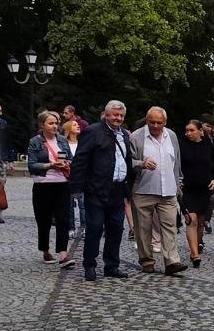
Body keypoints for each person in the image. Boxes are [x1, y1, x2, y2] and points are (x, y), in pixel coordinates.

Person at [69, 99, 134, 282]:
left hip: (118, 189)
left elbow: (126, 161)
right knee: (95, 228)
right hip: (97, 188)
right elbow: (80, 160)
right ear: (106, 114)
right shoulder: (93, 131)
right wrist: (76, 187)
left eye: (121, 115)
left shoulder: (124, 135)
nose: (118, 118)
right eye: (115, 114)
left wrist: (128, 188)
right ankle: (90, 265)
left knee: (116, 229)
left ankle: (111, 265)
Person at [129, 107, 187, 277]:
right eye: (152, 122)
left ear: (165, 123)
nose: (155, 125)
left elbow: (176, 161)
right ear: (146, 121)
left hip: (168, 191)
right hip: (143, 190)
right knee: (143, 229)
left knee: (170, 226)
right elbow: (128, 161)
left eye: (159, 123)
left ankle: (171, 261)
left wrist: (178, 183)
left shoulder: (172, 136)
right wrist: (141, 163)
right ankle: (146, 260)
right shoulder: (136, 136)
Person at [27, 110, 75, 269]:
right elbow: (31, 165)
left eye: (56, 123)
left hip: (62, 183)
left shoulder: (62, 140)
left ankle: (63, 254)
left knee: (63, 219)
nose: (55, 126)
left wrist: (67, 163)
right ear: (42, 125)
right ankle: (45, 249)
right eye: (51, 123)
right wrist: (50, 165)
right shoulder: (35, 141)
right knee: (44, 220)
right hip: (43, 184)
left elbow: (70, 158)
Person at [181, 118, 214, 266]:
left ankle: (197, 245)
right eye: (187, 130)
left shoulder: (207, 144)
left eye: (192, 130)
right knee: (192, 220)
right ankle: (194, 254)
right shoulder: (182, 145)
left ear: (200, 132)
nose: (188, 133)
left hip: (205, 188)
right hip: (188, 188)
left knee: (201, 221)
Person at [62, 119, 84, 230]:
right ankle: (71, 228)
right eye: (75, 125)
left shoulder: (83, 142)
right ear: (69, 129)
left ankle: (84, 227)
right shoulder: (63, 144)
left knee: (83, 203)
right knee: (69, 204)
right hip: (68, 176)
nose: (78, 126)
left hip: (81, 176)